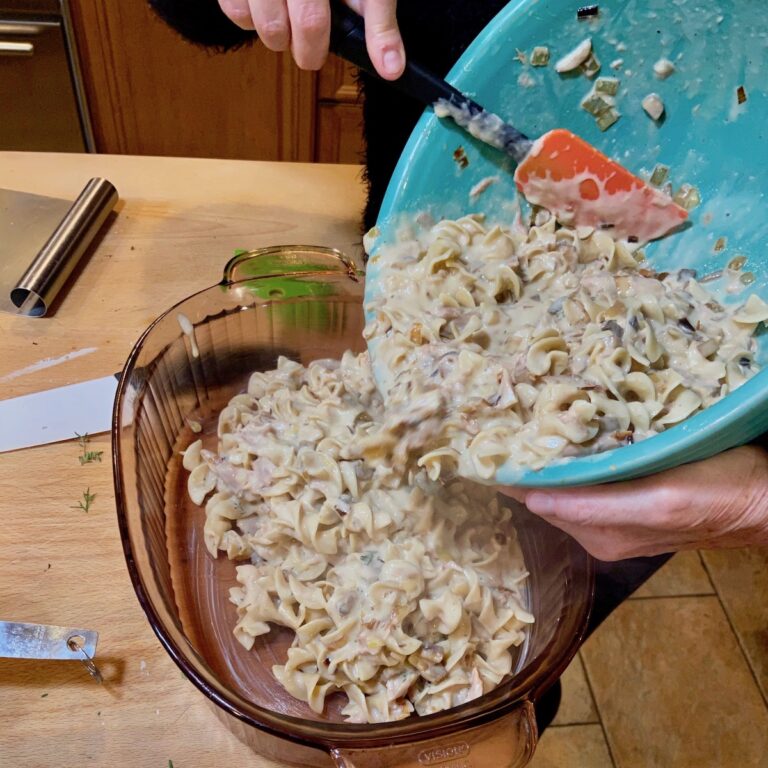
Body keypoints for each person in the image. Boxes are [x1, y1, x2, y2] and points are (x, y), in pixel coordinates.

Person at [149, 0, 768, 729]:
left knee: (521, 654)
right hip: (414, 283)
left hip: (700, 438)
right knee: (506, 672)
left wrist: (756, 509)